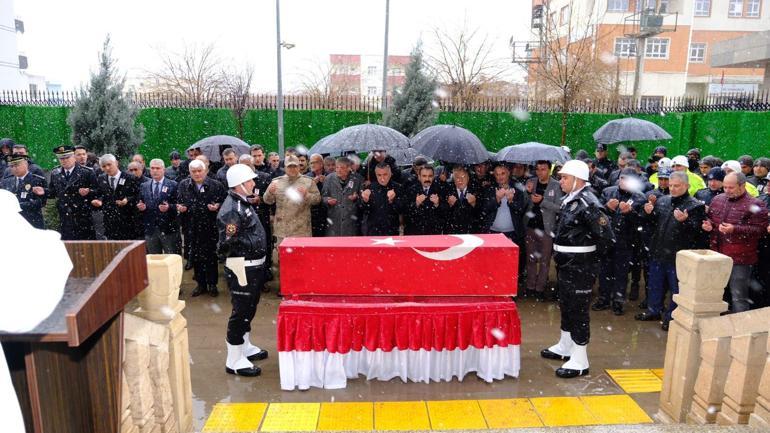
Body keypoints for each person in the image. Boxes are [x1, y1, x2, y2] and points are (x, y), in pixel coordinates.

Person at [540, 160, 614, 379]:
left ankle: (580, 358)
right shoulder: (569, 200)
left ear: (578, 180)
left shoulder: (589, 204)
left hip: (580, 266)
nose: (560, 181)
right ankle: (565, 345)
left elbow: (607, 238)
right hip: (566, 263)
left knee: (579, 310)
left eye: (564, 178)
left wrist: (588, 261)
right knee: (566, 304)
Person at [217, 164, 270, 377]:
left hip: (252, 265)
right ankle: (234, 358)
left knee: (249, 308)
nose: (254, 183)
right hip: (242, 267)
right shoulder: (232, 209)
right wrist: (243, 255)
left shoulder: (242, 203)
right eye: (250, 181)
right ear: (239, 185)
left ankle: (245, 347)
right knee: (241, 312)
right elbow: (227, 242)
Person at [637, 171, 707, 329]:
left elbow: (699, 232)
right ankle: (653, 310)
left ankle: (672, 317)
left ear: (687, 186)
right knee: (655, 284)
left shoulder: (695, 205)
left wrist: (685, 222)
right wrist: (648, 213)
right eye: (671, 186)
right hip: (658, 250)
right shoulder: (663, 201)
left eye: (677, 186)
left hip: (678, 255)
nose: (673, 189)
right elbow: (653, 223)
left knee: (676, 289)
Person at [702, 172, 768, 313]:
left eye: (731, 188)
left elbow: (761, 230)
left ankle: (740, 330)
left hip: (741, 259)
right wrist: (709, 225)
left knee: (739, 297)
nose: (727, 191)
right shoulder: (718, 199)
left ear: (742, 186)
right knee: (715, 294)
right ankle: (717, 326)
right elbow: (712, 220)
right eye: (725, 187)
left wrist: (735, 229)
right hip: (717, 255)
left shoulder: (756, 204)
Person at [594, 168, 646, 315]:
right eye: (622, 178)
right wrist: (607, 208)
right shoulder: (608, 192)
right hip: (607, 239)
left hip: (626, 241)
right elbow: (596, 215)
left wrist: (630, 213)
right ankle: (603, 299)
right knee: (604, 271)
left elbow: (642, 223)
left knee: (621, 273)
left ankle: (618, 301)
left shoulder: (640, 198)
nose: (623, 181)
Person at [263, 155, 320, 289]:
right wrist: (270, 193)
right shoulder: (276, 182)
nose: (293, 169)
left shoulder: (308, 181)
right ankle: (285, 287)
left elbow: (317, 200)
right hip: (282, 229)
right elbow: (267, 200)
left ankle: (303, 285)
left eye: (295, 166)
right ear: (285, 167)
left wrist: (307, 195)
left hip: (302, 229)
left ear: (299, 166)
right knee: (283, 261)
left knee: (302, 259)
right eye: (290, 166)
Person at [176, 159, 227, 297]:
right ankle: (200, 284)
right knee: (196, 257)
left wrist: (217, 206)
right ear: (189, 172)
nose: (197, 174)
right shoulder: (184, 185)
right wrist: (180, 207)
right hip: (192, 226)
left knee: (210, 257)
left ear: (205, 171)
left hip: (210, 226)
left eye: (200, 171)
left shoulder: (216, 185)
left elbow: (225, 202)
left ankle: (212, 284)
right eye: (194, 171)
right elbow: (179, 201)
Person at [523, 161, 563, 300]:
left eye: (543, 169)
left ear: (549, 170)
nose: (540, 172)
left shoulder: (557, 185)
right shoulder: (531, 182)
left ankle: (540, 289)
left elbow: (559, 207)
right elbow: (524, 203)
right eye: (538, 169)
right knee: (531, 259)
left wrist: (542, 201)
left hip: (547, 229)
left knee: (545, 261)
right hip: (530, 227)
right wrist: (527, 193)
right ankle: (530, 287)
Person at [483, 163, 530, 279]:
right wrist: (497, 199)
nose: (500, 177)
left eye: (503, 173)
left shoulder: (518, 189)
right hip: (493, 233)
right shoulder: (489, 188)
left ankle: (510, 291)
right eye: (497, 174)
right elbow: (484, 210)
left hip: (513, 234)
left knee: (512, 266)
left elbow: (522, 210)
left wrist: (511, 201)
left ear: (508, 173)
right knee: (493, 264)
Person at [43, 145, 97, 240]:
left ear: (73, 157)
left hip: (83, 217)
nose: (64, 160)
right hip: (65, 218)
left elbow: (98, 191)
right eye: (61, 158)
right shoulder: (55, 173)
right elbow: (53, 193)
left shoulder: (87, 172)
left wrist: (88, 192)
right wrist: (43, 191)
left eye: (67, 157)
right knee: (69, 248)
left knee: (85, 248)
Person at [92, 154, 141, 240]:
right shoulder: (101, 178)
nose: (107, 168)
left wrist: (127, 200)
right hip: (110, 223)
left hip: (128, 222)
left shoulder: (130, 178)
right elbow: (100, 194)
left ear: (116, 163)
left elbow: (138, 196)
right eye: (104, 166)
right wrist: (98, 201)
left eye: (109, 164)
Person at [137, 159, 179, 254]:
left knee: (171, 257)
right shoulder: (144, 186)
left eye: (158, 168)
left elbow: (179, 205)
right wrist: (141, 207)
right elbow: (140, 203)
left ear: (163, 170)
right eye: (152, 168)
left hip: (168, 228)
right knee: (154, 260)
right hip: (151, 229)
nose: (155, 170)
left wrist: (169, 207)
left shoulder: (173, 185)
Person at [0, 155, 46, 229]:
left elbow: (41, 202)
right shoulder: (6, 182)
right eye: (11, 166)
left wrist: (17, 205)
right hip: (12, 224)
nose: (14, 168)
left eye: (17, 165)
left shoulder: (37, 180)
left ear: (26, 164)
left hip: (32, 222)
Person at [323, 157, 362, 236]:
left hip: (351, 223)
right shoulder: (329, 178)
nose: (339, 170)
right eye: (337, 167)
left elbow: (363, 201)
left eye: (342, 168)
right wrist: (327, 200)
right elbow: (323, 197)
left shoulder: (358, 179)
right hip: (334, 222)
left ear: (349, 168)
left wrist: (356, 198)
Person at [360, 163, 402, 236]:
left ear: (390, 174)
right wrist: (365, 201)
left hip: (392, 231)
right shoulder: (370, 188)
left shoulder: (398, 187)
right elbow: (363, 210)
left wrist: (393, 201)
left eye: (385, 174)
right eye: (379, 175)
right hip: (373, 231)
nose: (382, 178)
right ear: (376, 175)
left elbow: (403, 209)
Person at [403, 165, 445, 235]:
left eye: (430, 176)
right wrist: (416, 204)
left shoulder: (440, 189)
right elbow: (404, 213)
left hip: (433, 233)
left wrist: (437, 204)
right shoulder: (411, 190)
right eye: (424, 176)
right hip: (415, 233)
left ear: (433, 176)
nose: (427, 179)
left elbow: (445, 213)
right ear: (419, 177)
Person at [443, 166, 482, 234]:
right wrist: (449, 205)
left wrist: (474, 204)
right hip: (451, 232)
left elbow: (482, 213)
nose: (460, 180)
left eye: (463, 177)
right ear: (454, 179)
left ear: (468, 178)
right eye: (457, 177)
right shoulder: (447, 189)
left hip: (470, 232)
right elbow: (441, 213)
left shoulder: (476, 190)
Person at [307, 154, 329, 236]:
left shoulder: (329, 175)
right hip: (312, 213)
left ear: (321, 164)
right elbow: (303, 194)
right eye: (311, 163)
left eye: (315, 162)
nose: (312, 165)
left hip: (327, 213)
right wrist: (312, 184)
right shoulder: (307, 177)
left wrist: (326, 182)